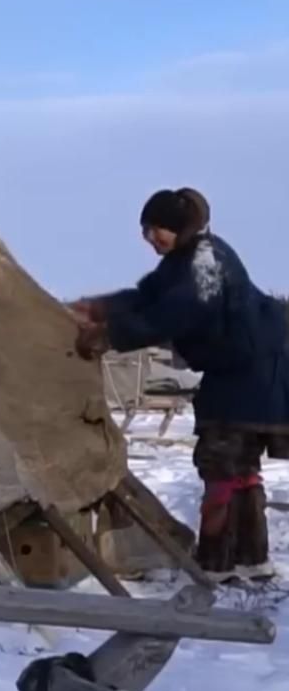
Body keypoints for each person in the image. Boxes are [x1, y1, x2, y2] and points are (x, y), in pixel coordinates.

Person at [73, 188, 289, 581]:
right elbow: (147, 297)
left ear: (178, 227)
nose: (151, 239)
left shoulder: (204, 262)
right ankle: (250, 559)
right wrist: (101, 307)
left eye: (157, 230)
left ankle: (218, 564)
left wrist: (112, 334)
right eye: (146, 231)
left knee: (221, 462)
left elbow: (181, 312)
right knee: (237, 466)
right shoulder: (182, 262)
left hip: (250, 373)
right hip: (242, 372)